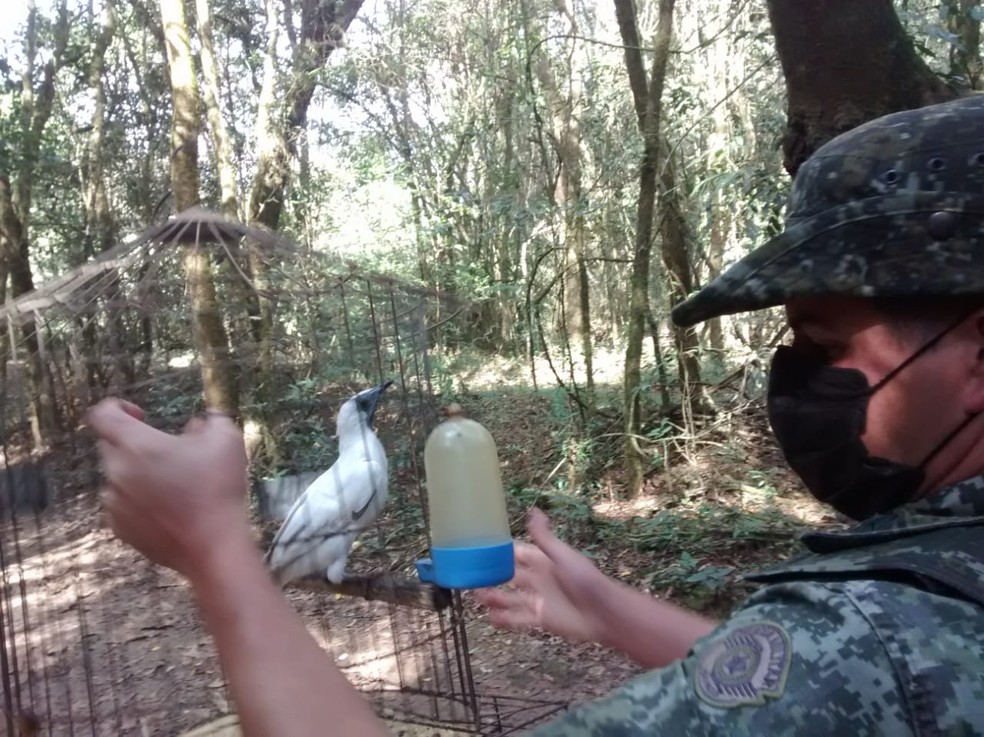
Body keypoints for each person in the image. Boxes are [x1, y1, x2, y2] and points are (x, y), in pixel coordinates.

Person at [89, 93, 984, 736]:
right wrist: (601, 608)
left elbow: (843, 670)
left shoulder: (882, 631)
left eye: (823, 341)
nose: (795, 376)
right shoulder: (912, 617)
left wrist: (216, 551)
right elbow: (816, 685)